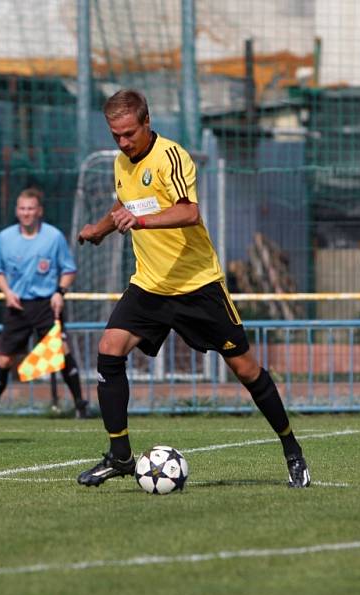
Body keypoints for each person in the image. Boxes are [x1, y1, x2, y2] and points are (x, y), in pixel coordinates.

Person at [76, 89, 310, 488]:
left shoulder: (171, 156)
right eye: (116, 135)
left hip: (197, 285)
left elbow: (189, 211)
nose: (123, 142)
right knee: (109, 351)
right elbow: (126, 206)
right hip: (149, 285)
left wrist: (142, 223)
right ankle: (120, 456)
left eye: (129, 133)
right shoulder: (121, 163)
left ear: (147, 122)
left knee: (246, 370)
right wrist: (99, 230)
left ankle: (292, 449)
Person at [0, 186, 87, 418]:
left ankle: (81, 406)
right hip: (17, 306)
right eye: (22, 208)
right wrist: (7, 292)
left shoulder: (53, 237)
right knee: (5, 358)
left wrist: (60, 292)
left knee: (61, 352)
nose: (26, 212)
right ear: (17, 211)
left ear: (39, 211)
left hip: (46, 305)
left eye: (30, 208)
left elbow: (68, 269)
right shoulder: (4, 238)